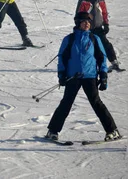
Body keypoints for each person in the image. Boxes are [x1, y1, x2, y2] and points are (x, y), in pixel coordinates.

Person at [45, 12, 121, 142]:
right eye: (84, 21)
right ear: (78, 23)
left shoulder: (94, 38)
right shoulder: (69, 39)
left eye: (89, 22)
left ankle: (112, 131)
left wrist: (103, 76)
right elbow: (62, 58)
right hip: (73, 77)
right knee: (66, 103)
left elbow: (101, 59)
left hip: (90, 76)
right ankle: (52, 131)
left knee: (96, 103)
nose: (87, 24)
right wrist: (61, 74)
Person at [76, 0, 122, 71]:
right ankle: (84, 65)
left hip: (98, 28)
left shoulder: (101, 0)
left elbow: (104, 13)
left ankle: (114, 62)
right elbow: (78, 14)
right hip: (86, 29)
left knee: (106, 45)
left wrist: (106, 24)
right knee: (87, 47)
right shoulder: (84, 0)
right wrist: (79, 25)